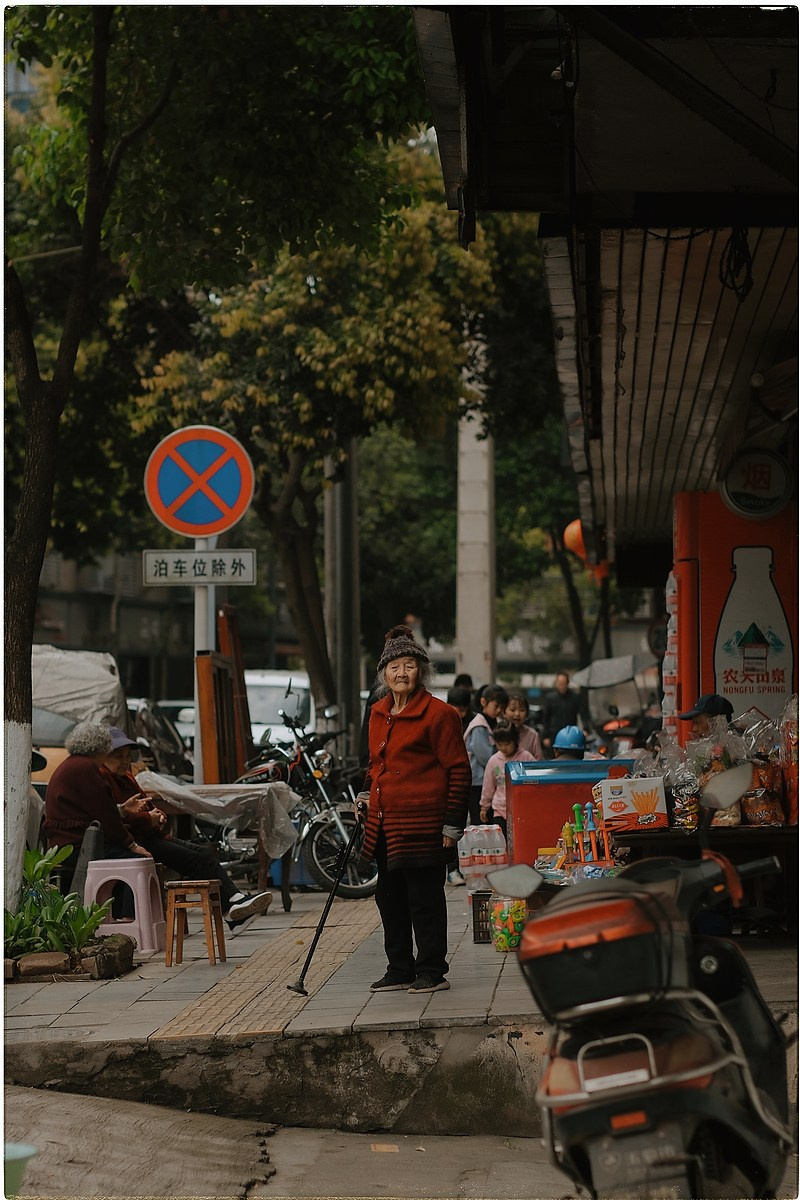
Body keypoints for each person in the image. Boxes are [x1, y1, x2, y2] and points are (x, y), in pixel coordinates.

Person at [44, 723, 272, 935]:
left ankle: (233, 905)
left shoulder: (84, 767)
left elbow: (106, 811)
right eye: (116, 755)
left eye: (127, 756)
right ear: (101, 749)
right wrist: (131, 844)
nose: (124, 761)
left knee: (202, 853)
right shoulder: (87, 768)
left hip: (105, 837)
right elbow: (105, 815)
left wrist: (128, 812)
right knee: (139, 861)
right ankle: (133, 925)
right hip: (82, 843)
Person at [357, 624, 470, 994]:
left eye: (409, 665)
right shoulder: (378, 713)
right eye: (394, 667)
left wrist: (452, 824)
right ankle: (400, 968)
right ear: (384, 674)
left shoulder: (440, 714)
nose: (401, 673)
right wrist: (365, 795)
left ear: (421, 671)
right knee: (389, 899)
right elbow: (374, 765)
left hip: (424, 824)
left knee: (425, 900)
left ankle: (432, 970)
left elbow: (459, 770)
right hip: (384, 824)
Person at [479, 720, 535, 839]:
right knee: (501, 840)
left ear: (515, 741)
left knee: (519, 839)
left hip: (521, 808)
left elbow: (536, 779)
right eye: (500, 744)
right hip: (499, 809)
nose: (503, 748)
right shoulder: (494, 760)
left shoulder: (526, 757)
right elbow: (488, 786)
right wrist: (484, 807)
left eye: (507, 744)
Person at [464, 683, 509, 824]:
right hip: (478, 783)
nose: (499, 710)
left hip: (490, 781)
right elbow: (486, 757)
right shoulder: (479, 726)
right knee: (481, 824)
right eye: (496, 706)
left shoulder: (495, 723)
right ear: (483, 702)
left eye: (502, 707)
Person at [541, 672, 581, 756]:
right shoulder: (550, 698)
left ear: (567, 683)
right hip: (554, 734)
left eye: (564, 683)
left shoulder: (574, 697)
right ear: (556, 683)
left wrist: (585, 729)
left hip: (570, 734)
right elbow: (545, 718)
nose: (562, 686)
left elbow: (581, 714)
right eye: (560, 683)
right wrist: (545, 736)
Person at [504, 690, 543, 759]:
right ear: (504, 712)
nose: (517, 714)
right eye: (512, 710)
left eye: (522, 710)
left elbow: (538, 760)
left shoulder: (532, 735)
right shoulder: (497, 731)